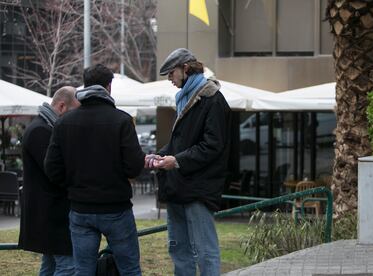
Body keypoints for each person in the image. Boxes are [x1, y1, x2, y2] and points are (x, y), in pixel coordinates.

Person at [44, 64, 145, 276]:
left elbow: (52, 168)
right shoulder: (122, 120)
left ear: (85, 84)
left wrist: (73, 184)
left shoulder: (63, 123)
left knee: (83, 271)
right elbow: (135, 166)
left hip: (81, 208)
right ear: (109, 87)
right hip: (116, 207)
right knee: (130, 269)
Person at [145, 48, 231, 276]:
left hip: (199, 189)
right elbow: (180, 143)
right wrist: (161, 156)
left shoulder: (212, 99)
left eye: (171, 74)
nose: (170, 80)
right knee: (179, 250)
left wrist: (177, 161)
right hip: (178, 186)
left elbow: (213, 146)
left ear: (185, 68)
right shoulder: (186, 98)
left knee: (205, 251)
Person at [18, 86, 80, 276]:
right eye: (74, 112)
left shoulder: (43, 127)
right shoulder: (41, 131)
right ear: (62, 106)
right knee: (67, 265)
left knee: (51, 264)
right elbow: (54, 171)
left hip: (49, 213)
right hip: (50, 213)